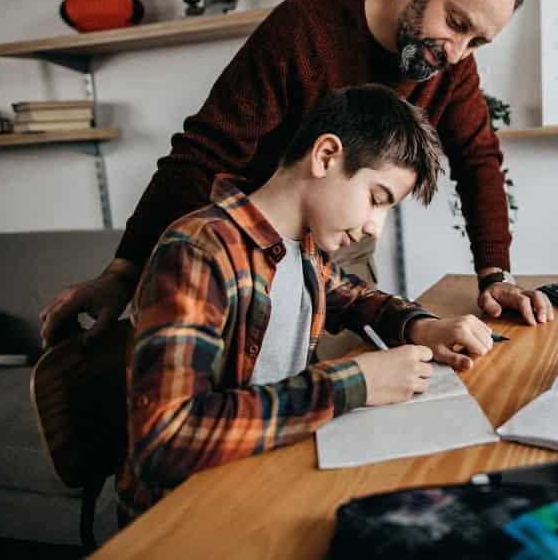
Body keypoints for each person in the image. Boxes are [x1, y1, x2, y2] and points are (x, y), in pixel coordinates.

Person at [40, 0, 553, 351]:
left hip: (338, 233)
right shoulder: (307, 26)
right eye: (456, 24)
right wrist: (125, 270)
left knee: (348, 352)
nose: (456, 52)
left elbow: (479, 161)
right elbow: (203, 152)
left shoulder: (450, 66)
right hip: (251, 233)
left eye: (477, 42)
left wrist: (493, 275)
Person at [117, 84, 498, 522]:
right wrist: (349, 383)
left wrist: (421, 327)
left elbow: (357, 299)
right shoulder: (200, 251)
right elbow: (164, 440)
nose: (377, 227)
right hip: (186, 516)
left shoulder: (303, 248)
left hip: (266, 475)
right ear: (325, 156)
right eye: (377, 199)